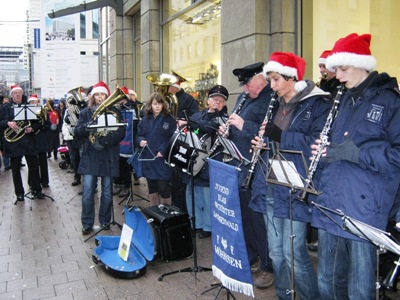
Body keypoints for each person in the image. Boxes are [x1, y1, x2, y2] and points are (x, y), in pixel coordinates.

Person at [310, 33, 400, 300]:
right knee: (327, 283)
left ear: (361, 64)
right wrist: (326, 155)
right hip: (331, 201)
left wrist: (356, 154)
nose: (337, 76)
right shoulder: (344, 99)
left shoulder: (390, 101)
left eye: (343, 69)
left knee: (359, 290)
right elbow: (338, 148)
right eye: (336, 69)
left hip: (364, 209)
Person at [251, 52, 331, 299]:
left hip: (296, 186)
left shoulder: (318, 103)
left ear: (292, 77)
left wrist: (279, 135)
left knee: (293, 253)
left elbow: (317, 144)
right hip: (272, 182)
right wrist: (262, 144)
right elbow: (273, 138)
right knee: (275, 253)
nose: (272, 86)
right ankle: (284, 295)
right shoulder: (276, 103)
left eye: (275, 80)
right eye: (270, 80)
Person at [218, 62, 275, 289]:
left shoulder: (272, 98)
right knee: (243, 215)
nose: (244, 89)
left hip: (258, 167)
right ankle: (251, 256)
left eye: (248, 83)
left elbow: (268, 132)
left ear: (261, 79)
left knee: (258, 218)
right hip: (239, 164)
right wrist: (227, 129)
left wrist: (243, 124)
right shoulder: (244, 98)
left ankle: (267, 265)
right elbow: (235, 124)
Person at [74, 81, 125, 235]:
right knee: (88, 191)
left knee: (107, 192)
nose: (99, 97)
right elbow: (77, 131)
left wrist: (105, 139)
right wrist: (86, 127)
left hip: (108, 155)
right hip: (91, 156)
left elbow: (121, 132)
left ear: (106, 95)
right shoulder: (85, 112)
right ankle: (87, 223)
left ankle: (105, 221)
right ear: (93, 96)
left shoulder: (115, 112)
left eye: (102, 94)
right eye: (97, 94)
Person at [181, 85, 229, 238]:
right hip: (193, 160)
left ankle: (208, 227)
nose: (218, 103)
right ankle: (195, 223)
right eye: (215, 99)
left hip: (210, 163)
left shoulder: (225, 119)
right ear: (208, 101)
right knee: (192, 193)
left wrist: (189, 123)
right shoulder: (198, 115)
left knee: (207, 197)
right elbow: (191, 128)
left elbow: (209, 127)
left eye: (221, 101)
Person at [0, 85, 44, 201]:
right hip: (13, 143)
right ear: (11, 95)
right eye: (15, 93)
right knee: (15, 170)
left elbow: (37, 123)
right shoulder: (5, 108)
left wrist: (32, 129)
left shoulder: (29, 107)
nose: (18, 95)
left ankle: (37, 190)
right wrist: (8, 123)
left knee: (34, 167)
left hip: (28, 141)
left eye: (20, 93)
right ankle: (19, 193)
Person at [135, 92, 176, 206]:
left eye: (159, 103)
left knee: (163, 187)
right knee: (152, 187)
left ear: (163, 105)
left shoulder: (170, 120)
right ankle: (154, 212)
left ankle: (166, 211)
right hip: (148, 157)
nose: (157, 106)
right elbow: (138, 135)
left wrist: (163, 150)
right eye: (154, 104)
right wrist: (140, 141)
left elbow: (172, 138)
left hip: (162, 158)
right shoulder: (144, 120)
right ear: (150, 105)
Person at [114, 86, 140, 198]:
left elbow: (135, 123)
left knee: (125, 165)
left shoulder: (131, 107)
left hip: (128, 140)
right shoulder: (118, 108)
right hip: (118, 141)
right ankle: (118, 183)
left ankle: (126, 185)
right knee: (118, 163)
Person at [28, 94, 50, 188]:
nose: (33, 103)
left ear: (38, 102)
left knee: (43, 161)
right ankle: (32, 181)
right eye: (31, 102)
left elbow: (48, 125)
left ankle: (45, 181)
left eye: (34, 102)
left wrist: (40, 126)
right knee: (32, 163)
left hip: (41, 140)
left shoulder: (43, 112)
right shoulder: (27, 113)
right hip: (31, 140)